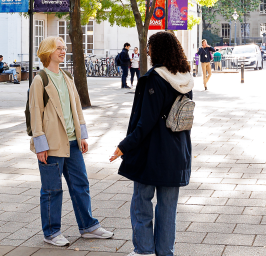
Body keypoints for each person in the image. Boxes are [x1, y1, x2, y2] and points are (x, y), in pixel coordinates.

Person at [110, 31, 193, 256]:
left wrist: (124, 146)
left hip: (151, 152)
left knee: (142, 202)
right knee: (168, 207)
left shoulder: (155, 78)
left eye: (149, 46)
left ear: (158, 49)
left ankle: (144, 250)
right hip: (178, 152)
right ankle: (165, 251)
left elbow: (145, 122)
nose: (147, 50)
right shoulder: (185, 79)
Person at [29, 36, 113, 246]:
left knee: (80, 185)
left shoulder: (67, 76)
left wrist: (82, 135)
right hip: (52, 145)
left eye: (64, 48)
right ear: (48, 51)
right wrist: (40, 146)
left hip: (73, 142)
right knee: (52, 190)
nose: (63, 51)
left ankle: (88, 227)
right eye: (58, 48)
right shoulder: (40, 79)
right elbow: (35, 113)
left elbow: (77, 107)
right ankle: (51, 233)